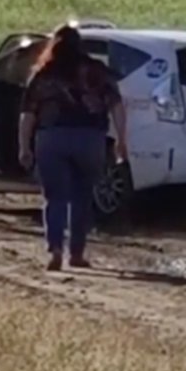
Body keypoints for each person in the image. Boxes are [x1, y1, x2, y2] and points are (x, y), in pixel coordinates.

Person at [18, 24, 127, 271]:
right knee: (82, 196)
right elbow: (117, 106)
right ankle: (76, 253)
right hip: (90, 139)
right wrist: (121, 139)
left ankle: (55, 249)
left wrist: (24, 146)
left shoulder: (44, 74)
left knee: (54, 197)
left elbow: (28, 114)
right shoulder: (97, 71)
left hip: (51, 138)